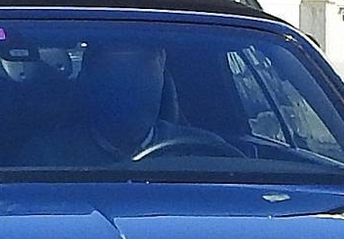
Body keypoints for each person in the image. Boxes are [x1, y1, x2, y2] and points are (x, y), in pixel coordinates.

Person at [18, 43, 215, 167]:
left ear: (162, 69)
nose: (132, 85)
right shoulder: (47, 159)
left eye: (142, 67)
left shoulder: (205, 153)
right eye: (116, 71)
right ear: (90, 77)